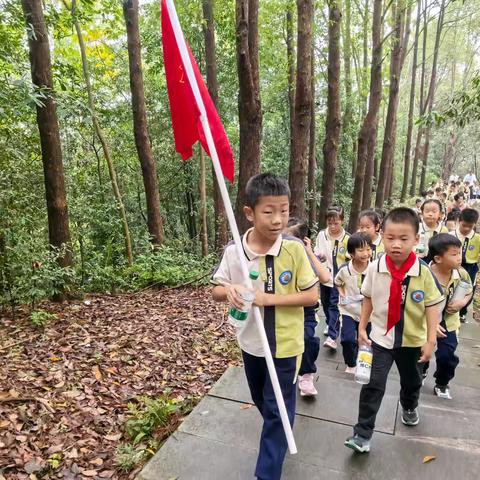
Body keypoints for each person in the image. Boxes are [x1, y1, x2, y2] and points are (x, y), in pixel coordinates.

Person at [211, 173, 319, 480]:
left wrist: (267, 299)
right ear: (249, 213)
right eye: (268, 211)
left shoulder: (294, 249)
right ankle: (280, 433)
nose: (278, 219)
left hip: (285, 345)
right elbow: (217, 290)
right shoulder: (235, 250)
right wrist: (230, 289)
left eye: (283, 210)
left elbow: (312, 296)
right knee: (264, 401)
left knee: (276, 410)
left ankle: (267, 472)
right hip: (250, 344)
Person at [344, 207, 444, 453]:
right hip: (381, 337)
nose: (396, 245)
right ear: (381, 236)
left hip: (412, 340)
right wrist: (362, 326)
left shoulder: (423, 273)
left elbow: (432, 306)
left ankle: (409, 405)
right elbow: (367, 297)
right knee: (372, 384)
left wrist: (431, 340)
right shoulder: (376, 267)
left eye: (403, 239)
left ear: (416, 240)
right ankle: (362, 434)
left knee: (411, 382)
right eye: (390, 238)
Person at [285, 219, 331, 397]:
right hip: (284, 310)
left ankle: (306, 375)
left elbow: (325, 277)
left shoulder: (307, 258)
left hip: (306, 311)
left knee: (308, 339)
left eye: (289, 237)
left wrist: (308, 251)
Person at [426, 234, 472, 399]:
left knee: (447, 354)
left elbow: (469, 291)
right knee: (420, 353)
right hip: (425, 320)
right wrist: (429, 323)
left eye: (459, 253)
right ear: (438, 258)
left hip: (449, 321)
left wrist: (463, 303)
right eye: (454, 254)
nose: (459, 258)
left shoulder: (462, 274)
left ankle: (442, 382)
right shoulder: (424, 274)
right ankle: (421, 371)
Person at [334, 233, 372, 374]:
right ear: (351, 254)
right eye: (361, 250)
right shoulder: (345, 270)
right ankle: (351, 362)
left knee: (366, 341)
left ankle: (364, 364)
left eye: (368, 249)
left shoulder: (374, 268)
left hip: (369, 313)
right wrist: (342, 294)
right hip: (349, 310)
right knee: (348, 339)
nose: (366, 253)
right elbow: (337, 282)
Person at [314, 206, 350, 350]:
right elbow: (316, 250)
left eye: (336, 223)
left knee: (335, 306)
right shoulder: (321, 235)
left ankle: (333, 336)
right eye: (330, 223)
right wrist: (319, 255)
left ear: (342, 221)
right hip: (325, 277)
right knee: (326, 303)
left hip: (339, 280)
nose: (333, 226)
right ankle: (331, 324)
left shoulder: (347, 238)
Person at [452, 208, 480, 323]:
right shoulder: (451, 235)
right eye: (464, 225)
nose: (467, 229)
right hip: (453, 265)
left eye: (470, 226)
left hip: (470, 267)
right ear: (459, 221)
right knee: (452, 286)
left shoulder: (477, 238)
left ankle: (462, 312)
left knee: (467, 288)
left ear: (475, 224)